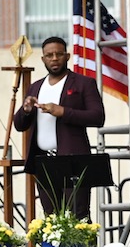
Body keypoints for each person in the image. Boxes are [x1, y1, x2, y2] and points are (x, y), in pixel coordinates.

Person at [12, 36, 106, 220]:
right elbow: (19, 125)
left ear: (67, 56)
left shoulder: (83, 83)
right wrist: (26, 110)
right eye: (49, 55)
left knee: (78, 216)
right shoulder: (35, 87)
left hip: (74, 161)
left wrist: (63, 111)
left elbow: (98, 117)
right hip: (44, 162)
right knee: (51, 217)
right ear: (43, 59)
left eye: (58, 54)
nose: (54, 58)